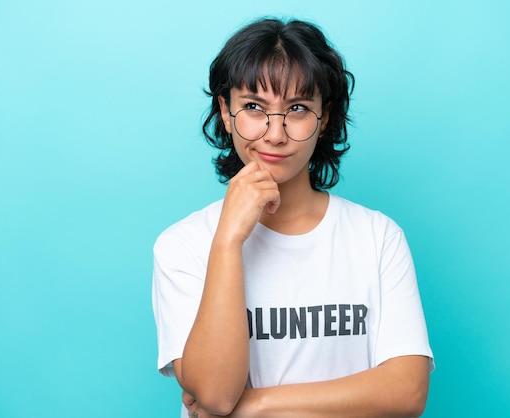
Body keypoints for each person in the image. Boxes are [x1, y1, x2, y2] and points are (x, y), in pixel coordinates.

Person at [152, 17, 434, 417]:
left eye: (297, 108)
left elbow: (407, 392)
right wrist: (229, 240)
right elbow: (214, 395)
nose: (275, 133)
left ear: (324, 118)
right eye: (253, 107)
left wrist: (258, 405)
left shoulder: (377, 236)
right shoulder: (183, 244)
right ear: (226, 111)